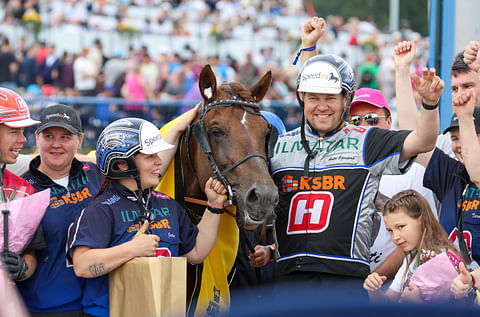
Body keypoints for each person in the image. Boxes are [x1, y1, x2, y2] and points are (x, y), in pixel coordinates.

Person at [267, 16, 442, 297]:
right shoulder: (278, 146)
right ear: (302, 99)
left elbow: (424, 140)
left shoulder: (365, 140)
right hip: (289, 277)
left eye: (331, 99)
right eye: (313, 98)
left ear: (346, 101)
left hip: (345, 278)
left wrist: (430, 103)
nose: (321, 106)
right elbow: (313, 79)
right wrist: (308, 48)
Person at [68, 118, 227, 317]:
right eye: (150, 156)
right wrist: (131, 249)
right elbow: (82, 266)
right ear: (122, 164)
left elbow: (195, 252)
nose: (159, 162)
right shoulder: (100, 210)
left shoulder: (167, 204)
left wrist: (215, 206)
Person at [16, 104, 103, 316]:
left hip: (98, 303)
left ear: (80, 140)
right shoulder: (21, 191)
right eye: (48, 137)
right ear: (37, 138)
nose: (56, 145)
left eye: (65, 137)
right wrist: (17, 269)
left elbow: (143, 175)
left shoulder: (96, 175)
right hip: (47, 307)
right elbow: (25, 257)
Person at [347, 88, 437, 282]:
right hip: (345, 283)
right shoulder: (338, 168)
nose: (363, 125)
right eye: (354, 120)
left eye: (371, 118)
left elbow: (425, 235)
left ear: (389, 121)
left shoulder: (414, 171)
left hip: (395, 287)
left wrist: (376, 279)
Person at [363, 190, 463, 303]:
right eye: (390, 230)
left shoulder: (444, 259)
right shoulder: (410, 258)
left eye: (400, 227)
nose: (395, 237)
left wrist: (418, 304)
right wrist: (373, 290)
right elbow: (386, 306)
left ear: (421, 220)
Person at [0, 87, 41, 283]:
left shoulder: (24, 188)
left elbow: (31, 252)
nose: (23, 139)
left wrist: (22, 268)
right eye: (14, 131)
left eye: (23, 131)